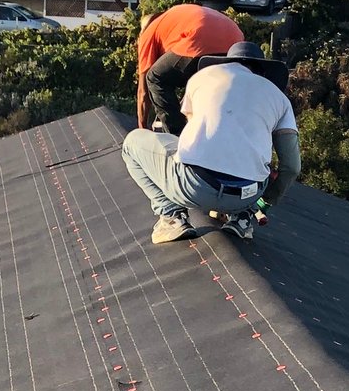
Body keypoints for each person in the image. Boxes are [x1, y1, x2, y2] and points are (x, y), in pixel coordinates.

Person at [122, 41, 300, 244]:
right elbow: (292, 168)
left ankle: (172, 218)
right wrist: (262, 202)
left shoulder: (203, 78)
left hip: (194, 187)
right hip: (247, 196)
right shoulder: (279, 98)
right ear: (262, 71)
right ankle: (242, 219)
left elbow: (193, 135)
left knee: (131, 143)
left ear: (226, 62)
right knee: (261, 166)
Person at [135, 1, 244, 133]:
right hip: (235, 39)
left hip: (200, 36)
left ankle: (177, 135)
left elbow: (143, 92)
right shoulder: (174, 19)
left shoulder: (148, 32)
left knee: (154, 77)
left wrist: (141, 129)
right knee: (199, 83)